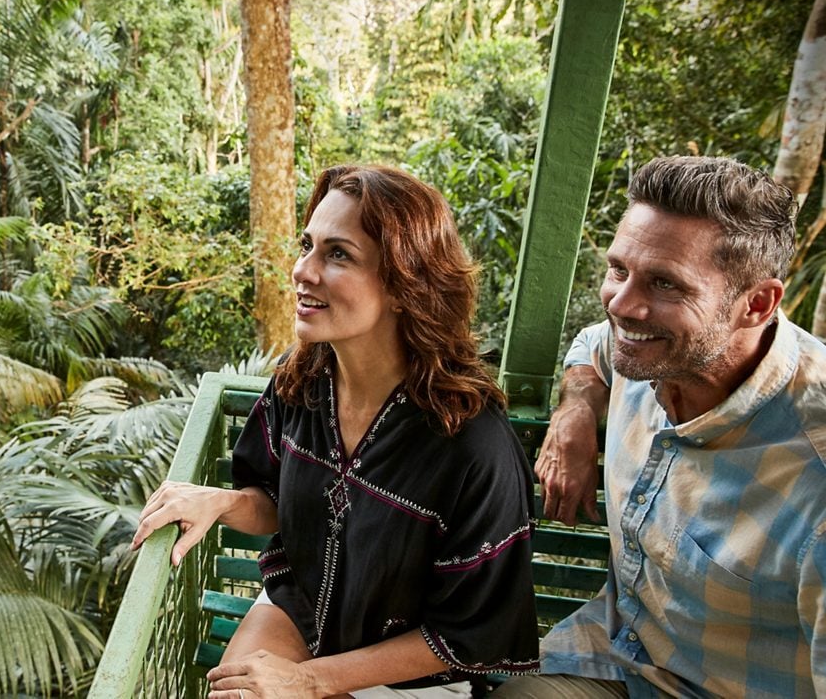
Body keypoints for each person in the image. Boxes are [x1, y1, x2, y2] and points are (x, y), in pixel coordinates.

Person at [132, 165, 540, 699]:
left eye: (338, 254)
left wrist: (307, 681)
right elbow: (275, 499)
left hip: (408, 676)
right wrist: (223, 501)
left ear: (404, 284)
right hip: (296, 613)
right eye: (307, 246)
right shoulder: (301, 381)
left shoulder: (470, 442)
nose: (304, 270)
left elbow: (472, 635)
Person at [496, 156, 826, 697]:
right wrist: (577, 409)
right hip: (608, 661)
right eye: (618, 269)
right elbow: (591, 345)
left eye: (665, 285)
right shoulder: (653, 349)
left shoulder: (814, 476)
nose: (622, 305)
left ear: (757, 303)